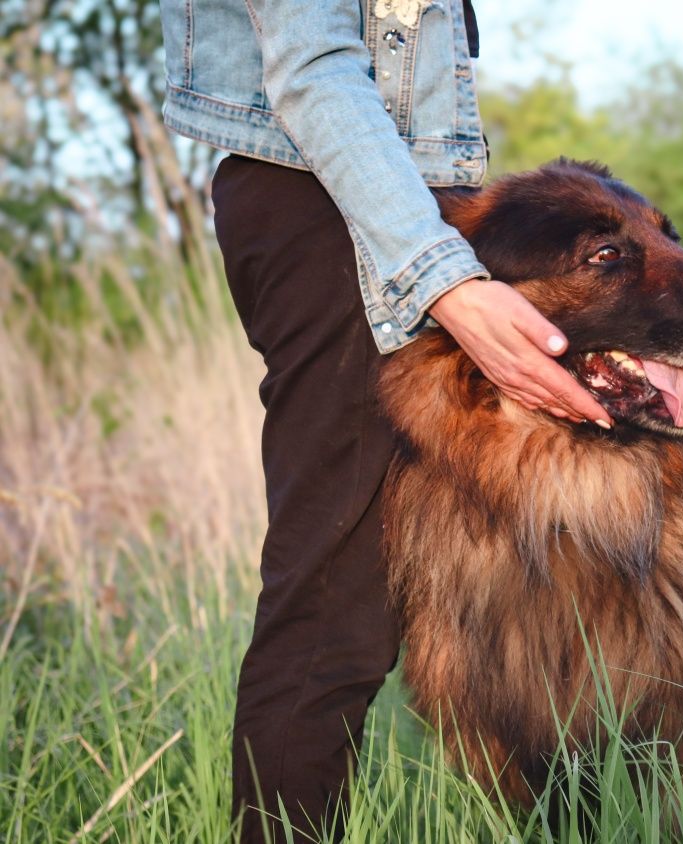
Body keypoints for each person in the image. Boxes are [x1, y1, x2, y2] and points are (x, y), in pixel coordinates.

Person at [158, 1, 613, 840]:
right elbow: (312, 69)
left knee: (527, 585)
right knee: (336, 603)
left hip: (392, 207)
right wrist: (444, 279)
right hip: (337, 211)